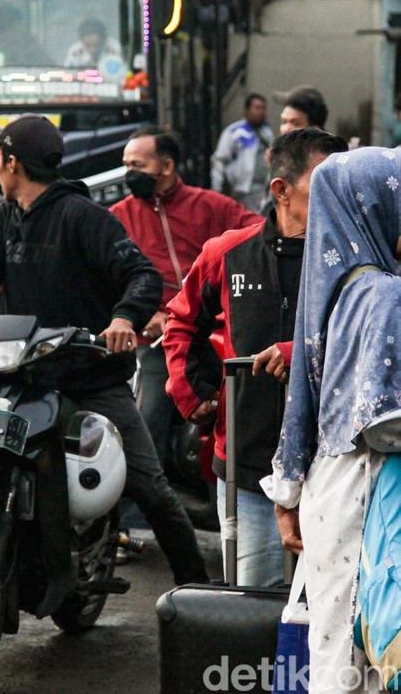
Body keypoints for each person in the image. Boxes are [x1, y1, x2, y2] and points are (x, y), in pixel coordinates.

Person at [0, 112, 209, 588]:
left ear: (11, 162)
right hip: (19, 375)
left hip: (88, 377)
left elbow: (142, 276)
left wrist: (123, 318)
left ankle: (199, 592)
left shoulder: (84, 217)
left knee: (151, 488)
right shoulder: (5, 217)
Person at [165, 129, 348, 587]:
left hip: (336, 461)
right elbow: (182, 323)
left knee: (330, 599)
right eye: (323, 183)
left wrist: (298, 355)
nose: (339, 197)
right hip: (247, 459)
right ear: (281, 191)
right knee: (254, 596)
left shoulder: (353, 260)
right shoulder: (227, 253)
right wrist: (193, 398)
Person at [260, 146, 401, 693]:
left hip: (328, 485)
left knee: (334, 652)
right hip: (368, 491)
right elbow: (386, 424)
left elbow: (304, 399)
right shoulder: (384, 294)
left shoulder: (335, 288)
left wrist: (287, 492)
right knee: (363, 652)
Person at [109, 125, 262, 545]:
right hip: (158, 340)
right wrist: (147, 316)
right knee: (149, 414)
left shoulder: (211, 206)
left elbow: (261, 235)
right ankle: (133, 519)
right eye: (126, 165)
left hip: (220, 331)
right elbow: (110, 280)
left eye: (136, 165)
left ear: (167, 166)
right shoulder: (120, 216)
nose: (129, 173)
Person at [210, 93, 273, 212]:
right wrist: (216, 189)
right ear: (247, 110)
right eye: (257, 108)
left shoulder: (267, 133)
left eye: (263, 108)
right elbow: (219, 160)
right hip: (239, 190)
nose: (261, 112)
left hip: (261, 189)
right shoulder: (234, 132)